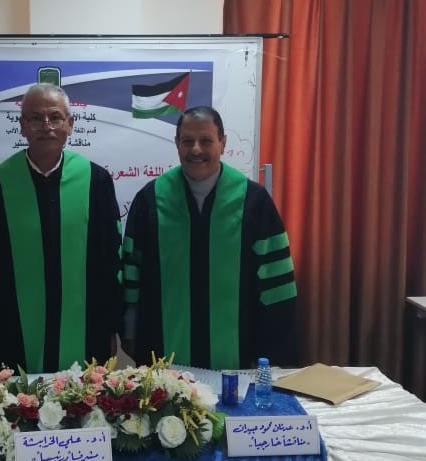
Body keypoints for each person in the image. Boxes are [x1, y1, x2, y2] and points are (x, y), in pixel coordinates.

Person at [0, 83, 122, 374]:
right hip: (12, 331)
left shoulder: (96, 182)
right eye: (35, 118)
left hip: (87, 328)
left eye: (55, 117)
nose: (46, 126)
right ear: (22, 126)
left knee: (85, 399)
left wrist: (112, 324)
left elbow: (112, 259)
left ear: (70, 124)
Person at [121, 106, 297, 370]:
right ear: (177, 144)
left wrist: (272, 352)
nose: (196, 149)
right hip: (164, 360)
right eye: (187, 141)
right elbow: (132, 279)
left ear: (222, 143)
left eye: (206, 140)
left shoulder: (253, 202)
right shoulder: (150, 200)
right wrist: (130, 333)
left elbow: (277, 288)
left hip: (238, 358)